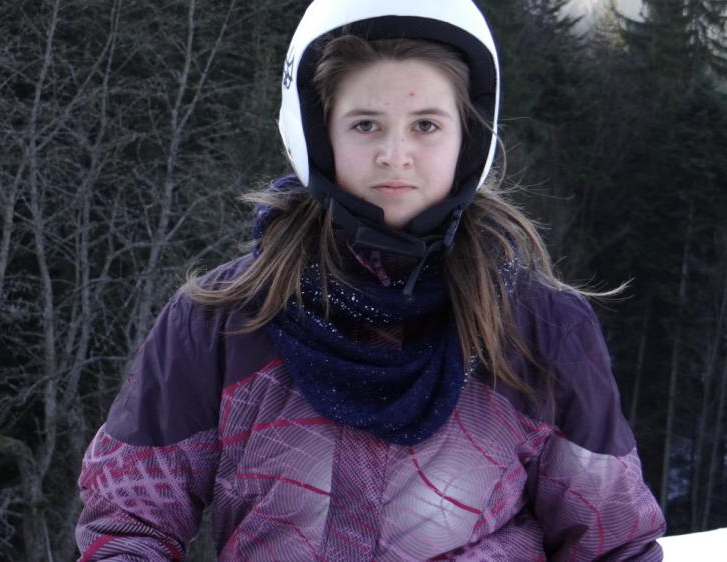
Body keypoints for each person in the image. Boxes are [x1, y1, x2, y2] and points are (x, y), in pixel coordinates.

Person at [75, 1, 667, 560]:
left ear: (469, 138)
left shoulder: (541, 328)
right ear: (317, 134)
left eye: (426, 125)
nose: (395, 154)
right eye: (365, 125)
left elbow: (612, 544)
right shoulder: (222, 320)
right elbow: (131, 524)